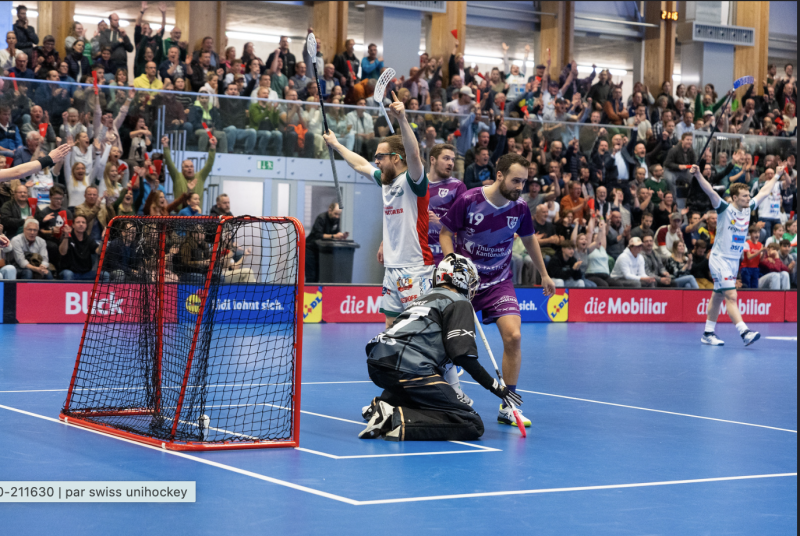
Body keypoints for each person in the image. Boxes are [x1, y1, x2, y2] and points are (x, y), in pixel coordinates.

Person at [439, 153, 555, 429]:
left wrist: (544, 274)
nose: (520, 187)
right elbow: (445, 233)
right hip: (465, 283)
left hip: (499, 282)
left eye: (523, 181)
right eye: (516, 181)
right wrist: (452, 264)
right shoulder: (469, 200)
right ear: (499, 175)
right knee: (447, 342)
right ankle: (442, 395)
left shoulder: (520, 208)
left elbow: (529, 240)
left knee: (514, 336)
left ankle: (509, 405)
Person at [359, 254, 522, 441]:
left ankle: (383, 404)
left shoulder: (423, 298)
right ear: (461, 279)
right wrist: (497, 388)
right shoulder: (459, 302)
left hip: (378, 362)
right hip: (409, 367)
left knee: (425, 399)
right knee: (471, 423)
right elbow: (463, 357)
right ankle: (396, 418)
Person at [323, 91, 434, 328]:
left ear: (396, 158)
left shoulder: (413, 181)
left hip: (415, 267)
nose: (376, 161)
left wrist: (402, 119)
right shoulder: (385, 181)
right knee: (390, 325)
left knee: (418, 329)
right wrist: (336, 144)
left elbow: (414, 154)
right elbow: (361, 164)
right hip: (391, 269)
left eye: (380, 157)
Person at [690, 163, 782, 347]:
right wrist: (699, 175)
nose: (749, 198)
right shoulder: (724, 208)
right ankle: (744, 332)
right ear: (734, 198)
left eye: (748, 195)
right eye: (744, 196)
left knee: (717, 296)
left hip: (733, 261)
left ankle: (708, 333)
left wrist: (777, 176)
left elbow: (764, 192)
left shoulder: (748, 208)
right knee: (731, 296)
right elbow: (710, 192)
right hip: (719, 259)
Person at [426, 144, 465, 265]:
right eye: (446, 158)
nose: (451, 163)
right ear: (433, 160)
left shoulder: (457, 187)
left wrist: (441, 223)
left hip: (443, 256)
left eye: (452, 160)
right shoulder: (419, 184)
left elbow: (464, 225)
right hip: (417, 254)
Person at [161, 135, 216, 210]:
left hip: (196, 214)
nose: (189, 168)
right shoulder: (177, 176)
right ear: (182, 169)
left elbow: (209, 164)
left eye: (191, 166)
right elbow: (169, 163)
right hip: (180, 214)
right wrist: (165, 145)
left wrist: (213, 146)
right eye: (186, 167)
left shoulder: (200, 176)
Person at [57, 214, 106, 281]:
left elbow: (99, 251)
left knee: (105, 275)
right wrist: (66, 236)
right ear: (73, 225)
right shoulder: (67, 236)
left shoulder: (88, 238)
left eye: (83, 222)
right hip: (70, 271)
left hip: (86, 273)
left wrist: (103, 239)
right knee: (68, 274)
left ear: (86, 225)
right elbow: (62, 252)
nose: (81, 224)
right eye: (78, 222)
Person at [305, 202, 345, 283]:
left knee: (319, 276)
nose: (337, 216)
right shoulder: (321, 218)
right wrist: (334, 236)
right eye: (335, 214)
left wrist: (340, 236)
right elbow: (318, 235)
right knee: (311, 277)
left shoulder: (336, 220)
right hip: (311, 250)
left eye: (339, 214)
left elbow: (336, 232)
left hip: (322, 251)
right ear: (330, 210)